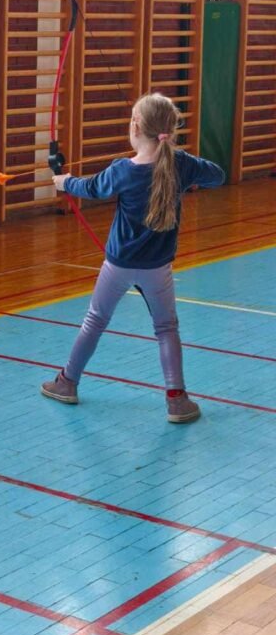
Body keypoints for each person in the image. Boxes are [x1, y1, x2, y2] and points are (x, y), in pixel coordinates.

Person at [41, 92, 225, 423]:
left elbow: (90, 188)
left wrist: (64, 181)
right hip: (158, 268)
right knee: (166, 328)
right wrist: (183, 159)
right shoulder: (181, 165)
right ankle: (177, 400)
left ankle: (67, 383)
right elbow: (217, 175)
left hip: (119, 265)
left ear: (136, 127)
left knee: (95, 321)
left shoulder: (123, 171)